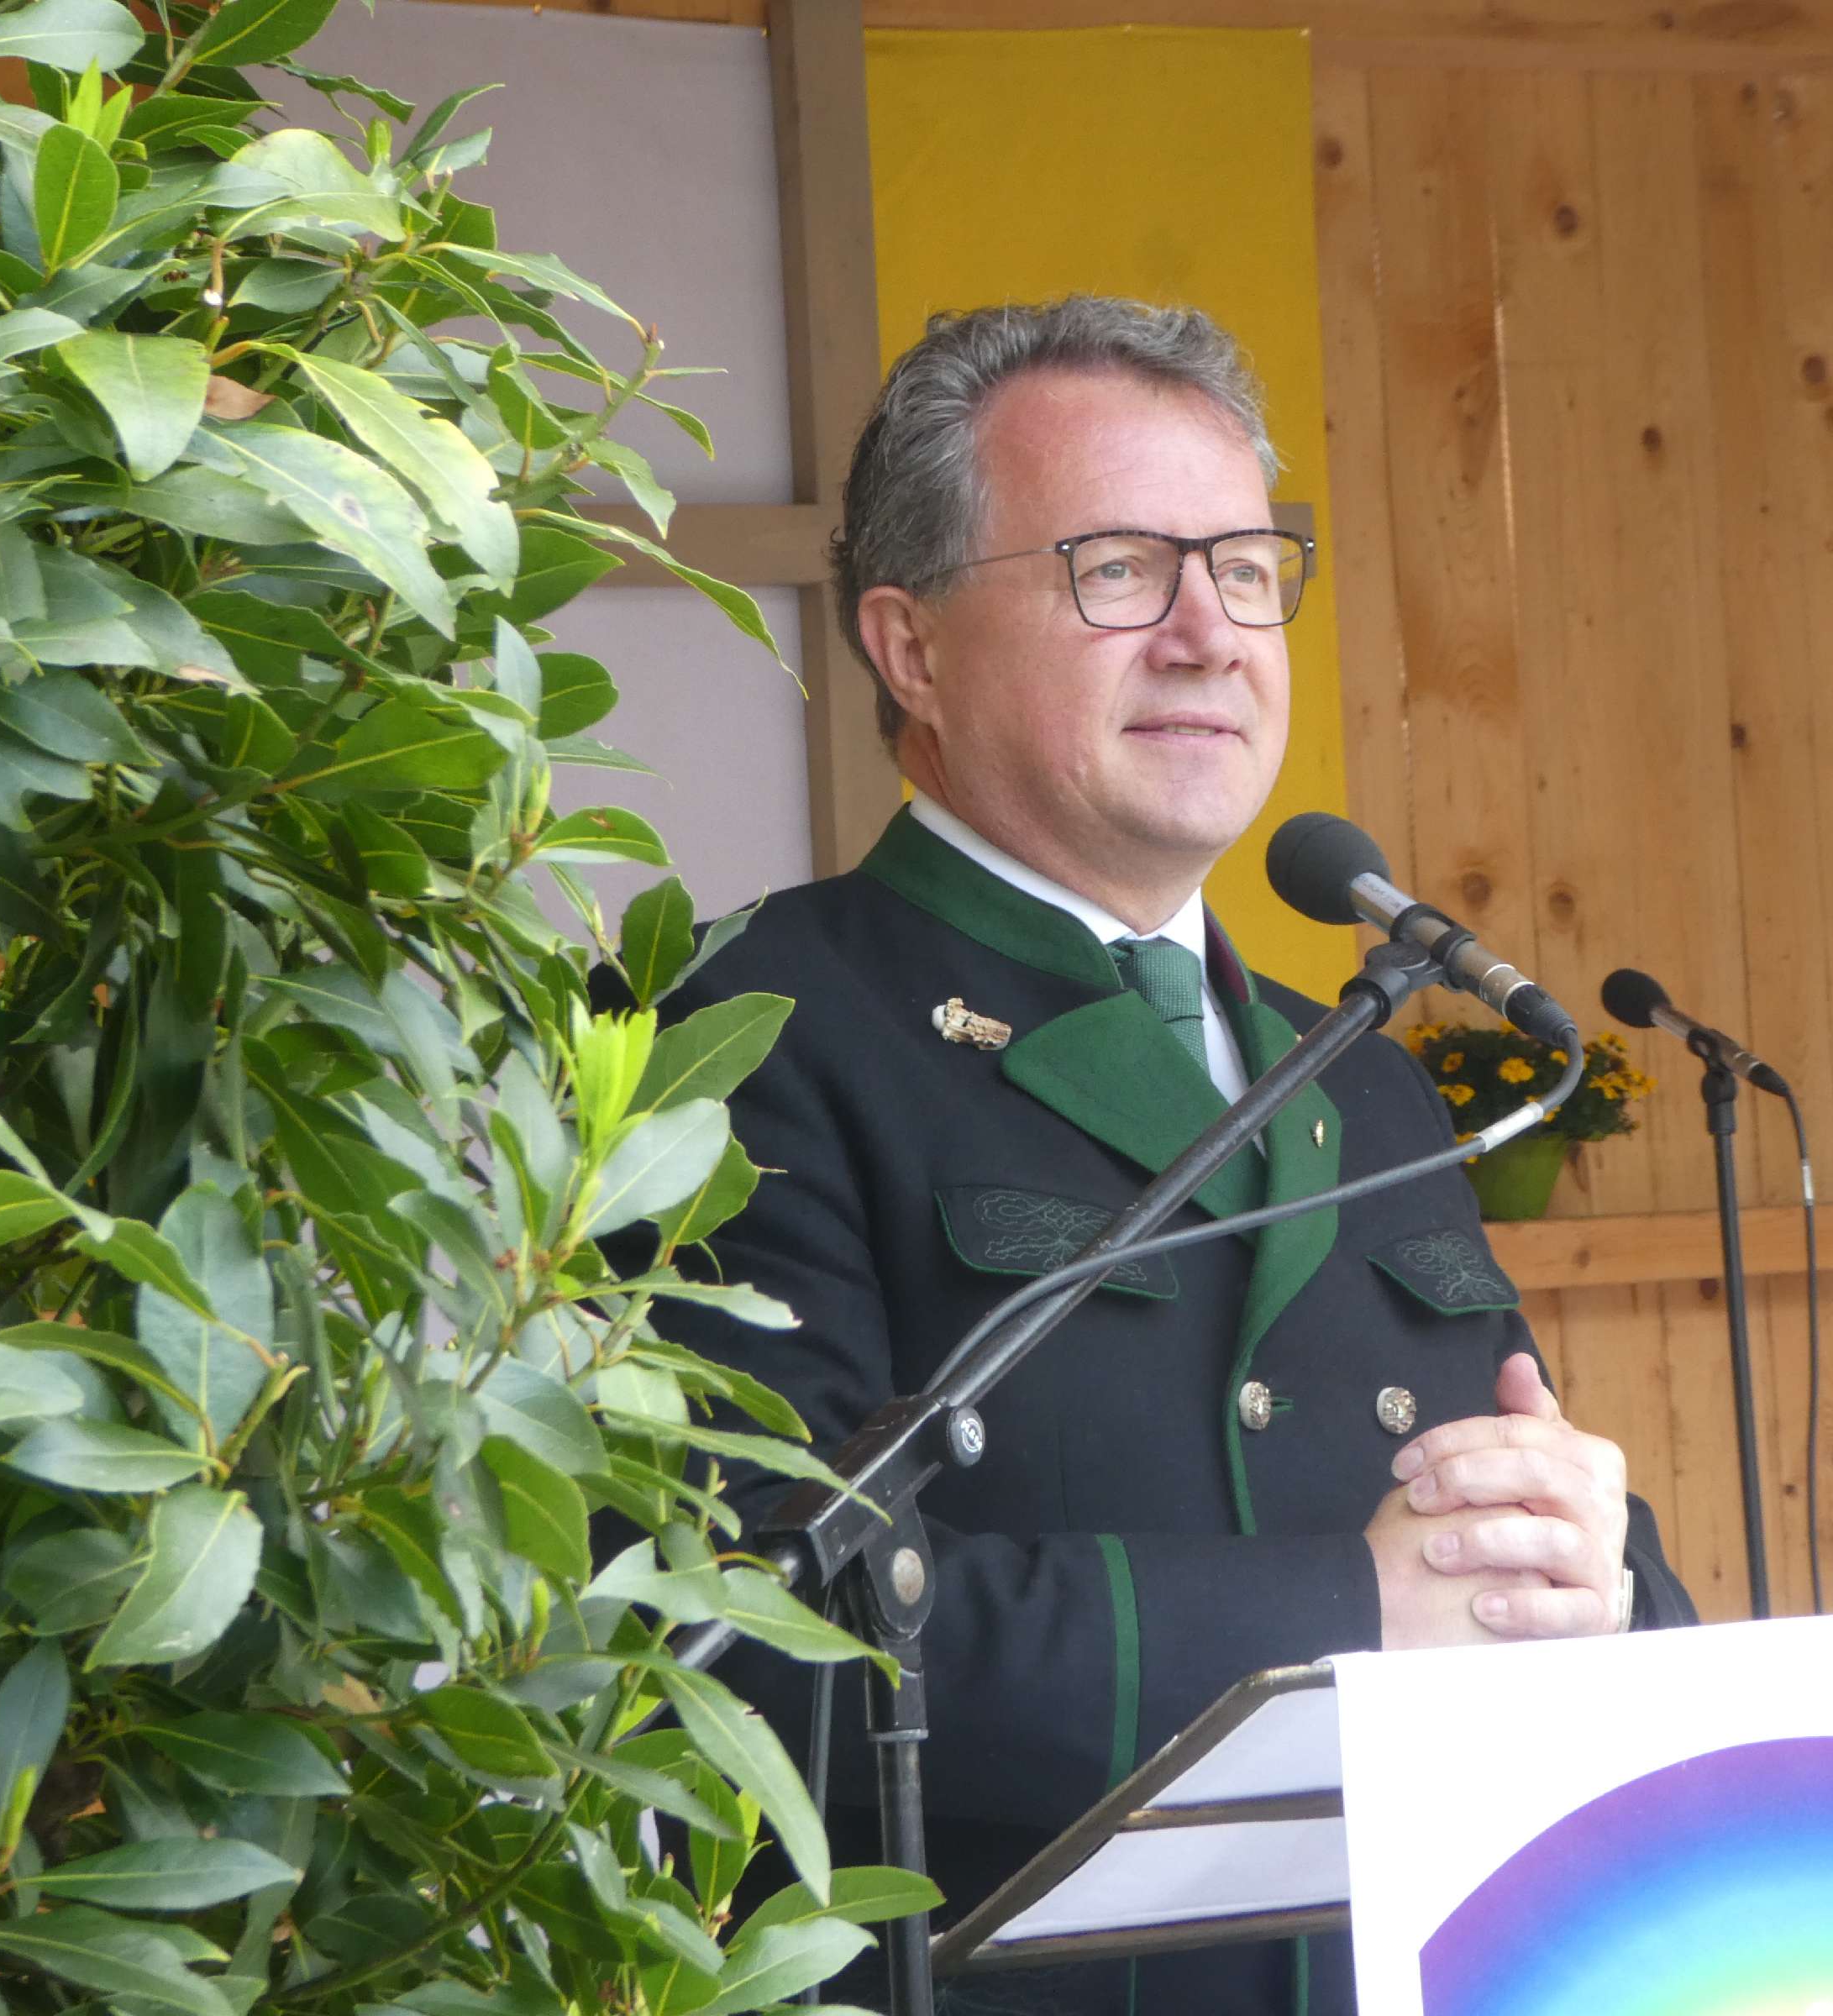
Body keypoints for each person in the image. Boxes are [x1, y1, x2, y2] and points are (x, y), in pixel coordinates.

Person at [599, 297, 1695, 2015]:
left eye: (1246, 569)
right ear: (911, 647)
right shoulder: (744, 1026)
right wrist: (1342, 1611)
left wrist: (1606, 1585)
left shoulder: (1366, 1079)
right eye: (1117, 568)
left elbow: (1503, 1561)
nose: (1209, 635)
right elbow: (733, 1635)